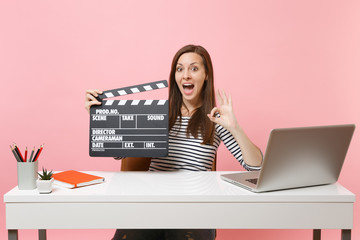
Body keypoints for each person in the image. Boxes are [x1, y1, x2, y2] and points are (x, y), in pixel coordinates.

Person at [85, 44, 263, 240]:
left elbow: (255, 167)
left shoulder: (214, 118)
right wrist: (98, 115)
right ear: (174, 77)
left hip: (194, 210)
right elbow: (119, 152)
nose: (186, 75)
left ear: (206, 75)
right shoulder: (158, 115)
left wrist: (235, 127)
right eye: (180, 69)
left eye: (194, 68)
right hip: (152, 205)